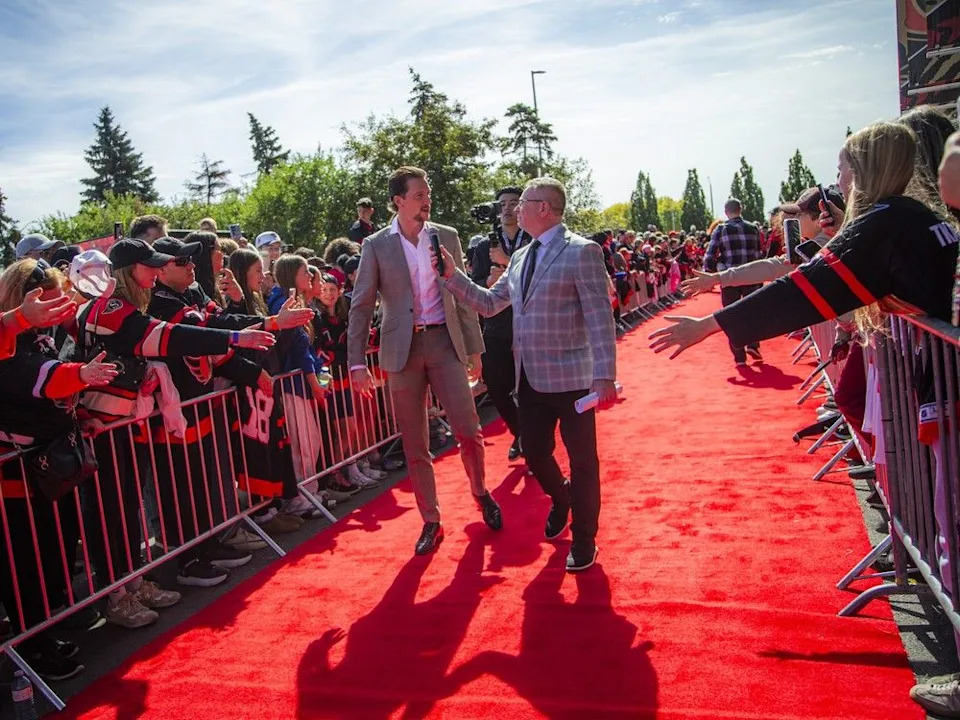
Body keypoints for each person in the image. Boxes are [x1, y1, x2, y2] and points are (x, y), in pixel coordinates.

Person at [649, 121, 960, 359]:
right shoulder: (914, 214)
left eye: (842, 169)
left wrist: (708, 325)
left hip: (928, 365)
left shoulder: (883, 224)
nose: (839, 181)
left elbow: (803, 291)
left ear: (865, 169)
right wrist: (845, 230)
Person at [433, 177, 617, 573]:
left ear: (545, 208)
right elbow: (489, 303)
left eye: (524, 203)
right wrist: (452, 276)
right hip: (530, 378)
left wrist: (604, 376)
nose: (515, 209)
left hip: (574, 380)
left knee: (584, 461)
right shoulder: (520, 257)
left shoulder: (582, 252)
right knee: (535, 453)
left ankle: (584, 540)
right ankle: (563, 499)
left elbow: (601, 319)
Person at [348, 166, 501, 555]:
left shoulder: (446, 236)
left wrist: (474, 349)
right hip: (402, 352)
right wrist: (356, 363)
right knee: (415, 444)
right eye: (419, 195)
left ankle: (481, 492)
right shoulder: (376, 245)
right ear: (398, 200)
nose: (426, 200)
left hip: (445, 344)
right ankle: (431, 519)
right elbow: (362, 305)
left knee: (469, 429)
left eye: (428, 194)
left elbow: (463, 296)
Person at [0, 259, 118, 680]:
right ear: (21, 298)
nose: (57, 303)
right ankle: (33, 648)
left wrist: (75, 413)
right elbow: (39, 379)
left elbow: (53, 389)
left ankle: (47, 627)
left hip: (50, 464)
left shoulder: (40, 335)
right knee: (24, 564)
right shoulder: (11, 340)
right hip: (18, 475)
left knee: (54, 553)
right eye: (46, 297)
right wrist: (81, 375)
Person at [682, 186, 845, 297]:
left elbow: (771, 268)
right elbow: (770, 266)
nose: (792, 220)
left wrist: (710, 323)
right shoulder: (813, 246)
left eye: (799, 215)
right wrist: (718, 278)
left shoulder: (820, 247)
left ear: (820, 218)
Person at [467, 187, 533, 460]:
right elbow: (475, 283)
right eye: (502, 203)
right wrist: (488, 282)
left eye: (513, 203)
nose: (507, 208)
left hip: (531, 323)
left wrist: (508, 265)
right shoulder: (484, 246)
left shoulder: (534, 240)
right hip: (496, 325)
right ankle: (521, 432)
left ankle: (534, 440)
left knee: (531, 386)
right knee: (495, 385)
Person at [702, 198, 764, 366]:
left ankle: (739, 356)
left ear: (726, 211)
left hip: (729, 277)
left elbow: (710, 254)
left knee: (731, 316)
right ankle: (753, 344)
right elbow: (760, 252)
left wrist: (709, 273)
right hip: (751, 275)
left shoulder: (721, 229)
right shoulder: (753, 228)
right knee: (752, 312)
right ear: (741, 209)